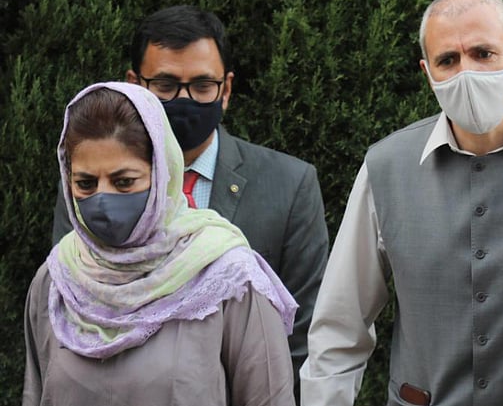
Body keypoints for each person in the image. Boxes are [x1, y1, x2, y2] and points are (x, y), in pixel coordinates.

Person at [299, 0, 503, 406]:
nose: (466, 72)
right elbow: (341, 325)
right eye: (448, 60)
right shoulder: (386, 165)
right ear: (427, 71)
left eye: (484, 54)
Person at [49, 5, 330, 398]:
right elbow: (73, 300)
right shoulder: (93, 187)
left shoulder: (289, 185)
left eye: (201, 86)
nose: (183, 101)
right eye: (165, 86)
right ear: (135, 84)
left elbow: (302, 336)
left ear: (226, 90)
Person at [24, 82, 298, 405]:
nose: (102, 198)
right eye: (85, 183)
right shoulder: (58, 280)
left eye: (124, 181)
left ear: (161, 174)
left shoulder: (229, 280)